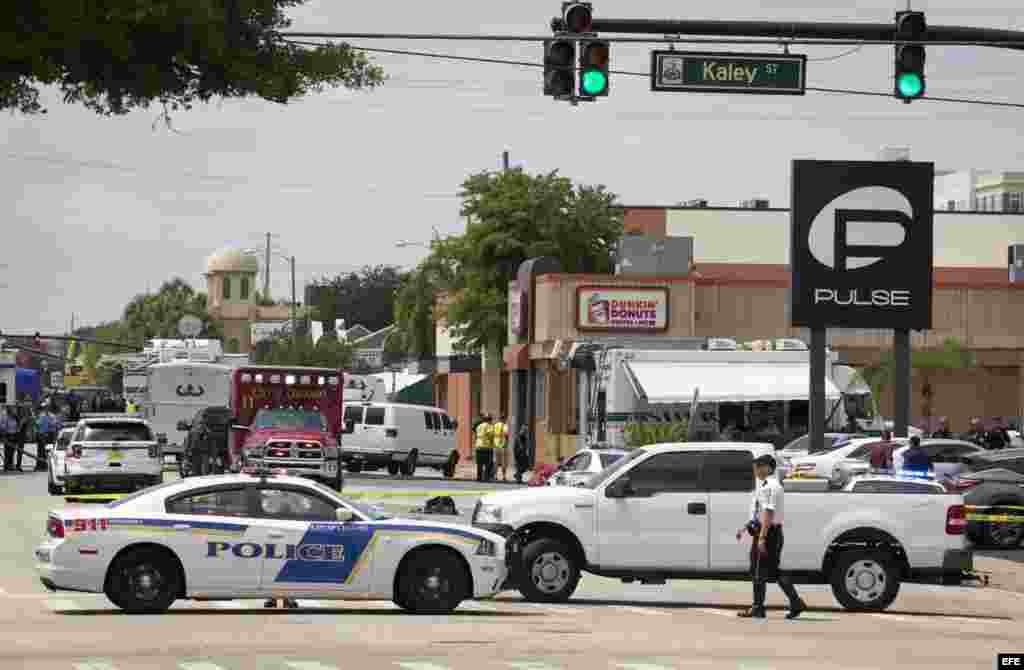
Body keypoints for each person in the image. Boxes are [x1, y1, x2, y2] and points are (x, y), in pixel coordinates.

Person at [735, 453, 805, 619]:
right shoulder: (768, 485)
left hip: (768, 533)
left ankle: (758, 607)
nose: (756, 471)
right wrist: (745, 528)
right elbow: (761, 513)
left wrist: (762, 538)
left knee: (759, 571)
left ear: (767, 467)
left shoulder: (770, 487)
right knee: (772, 571)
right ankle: (796, 603)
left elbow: (768, 512)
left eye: (758, 467)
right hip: (769, 532)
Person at [474, 414, 494, 482]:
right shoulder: (489, 426)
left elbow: (476, 433)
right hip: (486, 447)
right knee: (488, 464)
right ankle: (486, 477)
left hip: (478, 446)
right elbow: (490, 435)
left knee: (479, 464)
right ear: (489, 420)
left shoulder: (479, 426)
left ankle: (479, 477)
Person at [492, 414, 509, 481]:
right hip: (503, 446)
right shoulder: (505, 426)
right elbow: (506, 435)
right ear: (504, 419)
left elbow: (492, 434)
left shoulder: (495, 425)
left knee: (496, 462)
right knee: (503, 462)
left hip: (495, 445)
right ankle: (504, 476)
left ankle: (495, 475)